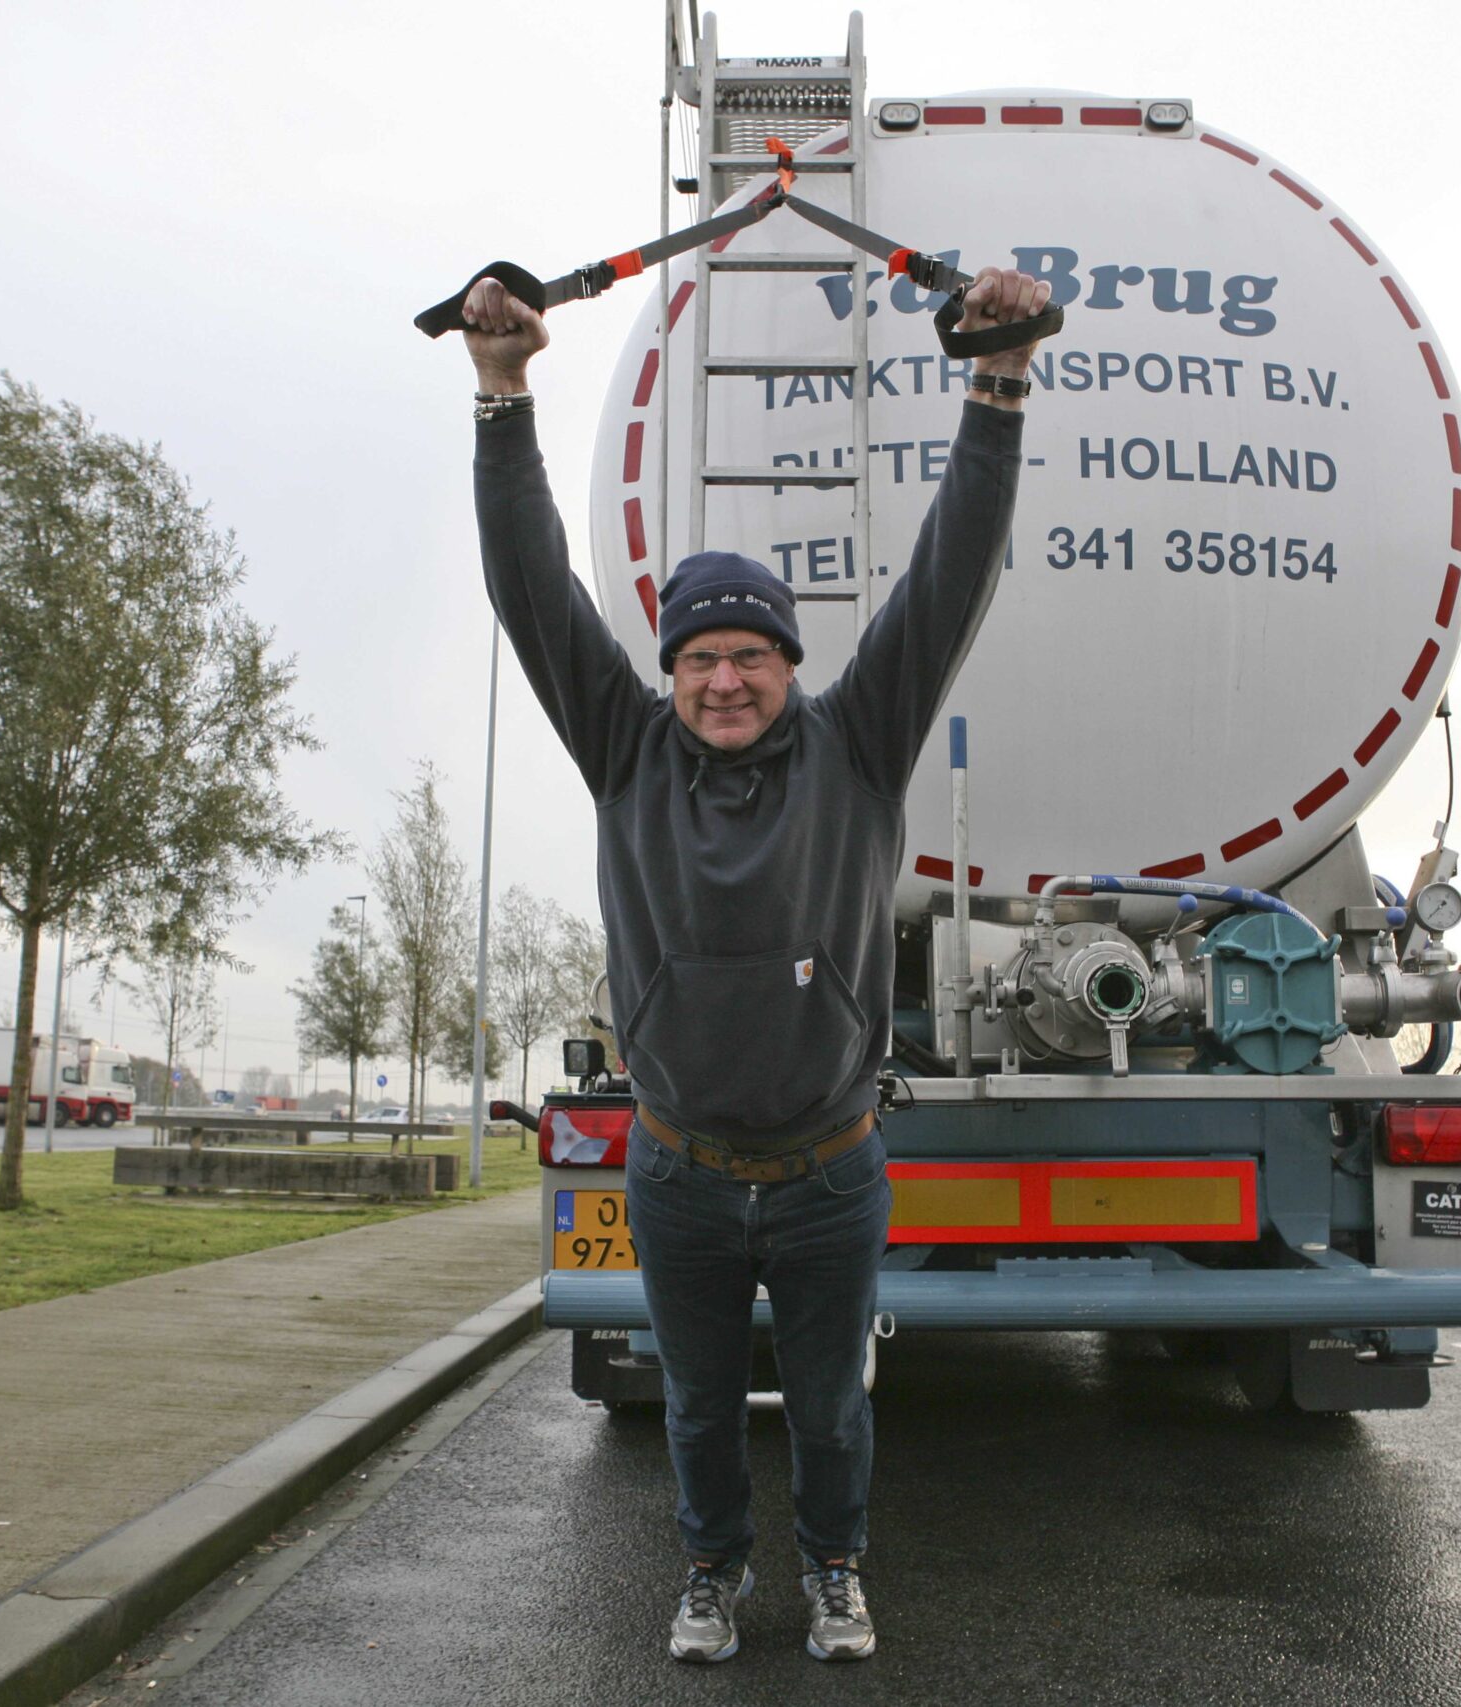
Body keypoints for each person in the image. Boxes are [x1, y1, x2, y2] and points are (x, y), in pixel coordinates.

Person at [462, 263, 1045, 1663]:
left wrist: (998, 387)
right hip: (679, 1169)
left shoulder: (859, 744)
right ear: (667, 672)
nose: (724, 680)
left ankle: (834, 1572)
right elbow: (533, 590)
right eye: (699, 659)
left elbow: (950, 575)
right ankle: (712, 1575)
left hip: (830, 1171)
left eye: (752, 656)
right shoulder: (625, 751)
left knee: (833, 1404)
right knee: (700, 1404)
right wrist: (501, 395)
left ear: (790, 661)